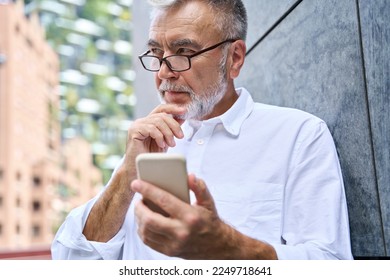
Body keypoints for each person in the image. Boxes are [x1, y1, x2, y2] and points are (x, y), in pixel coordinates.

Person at [51, 0, 353, 260]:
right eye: (156, 53)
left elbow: (330, 262)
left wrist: (228, 247)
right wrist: (127, 173)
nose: (162, 72)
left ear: (233, 58)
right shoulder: (144, 146)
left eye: (183, 52)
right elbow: (71, 259)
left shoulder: (299, 136)